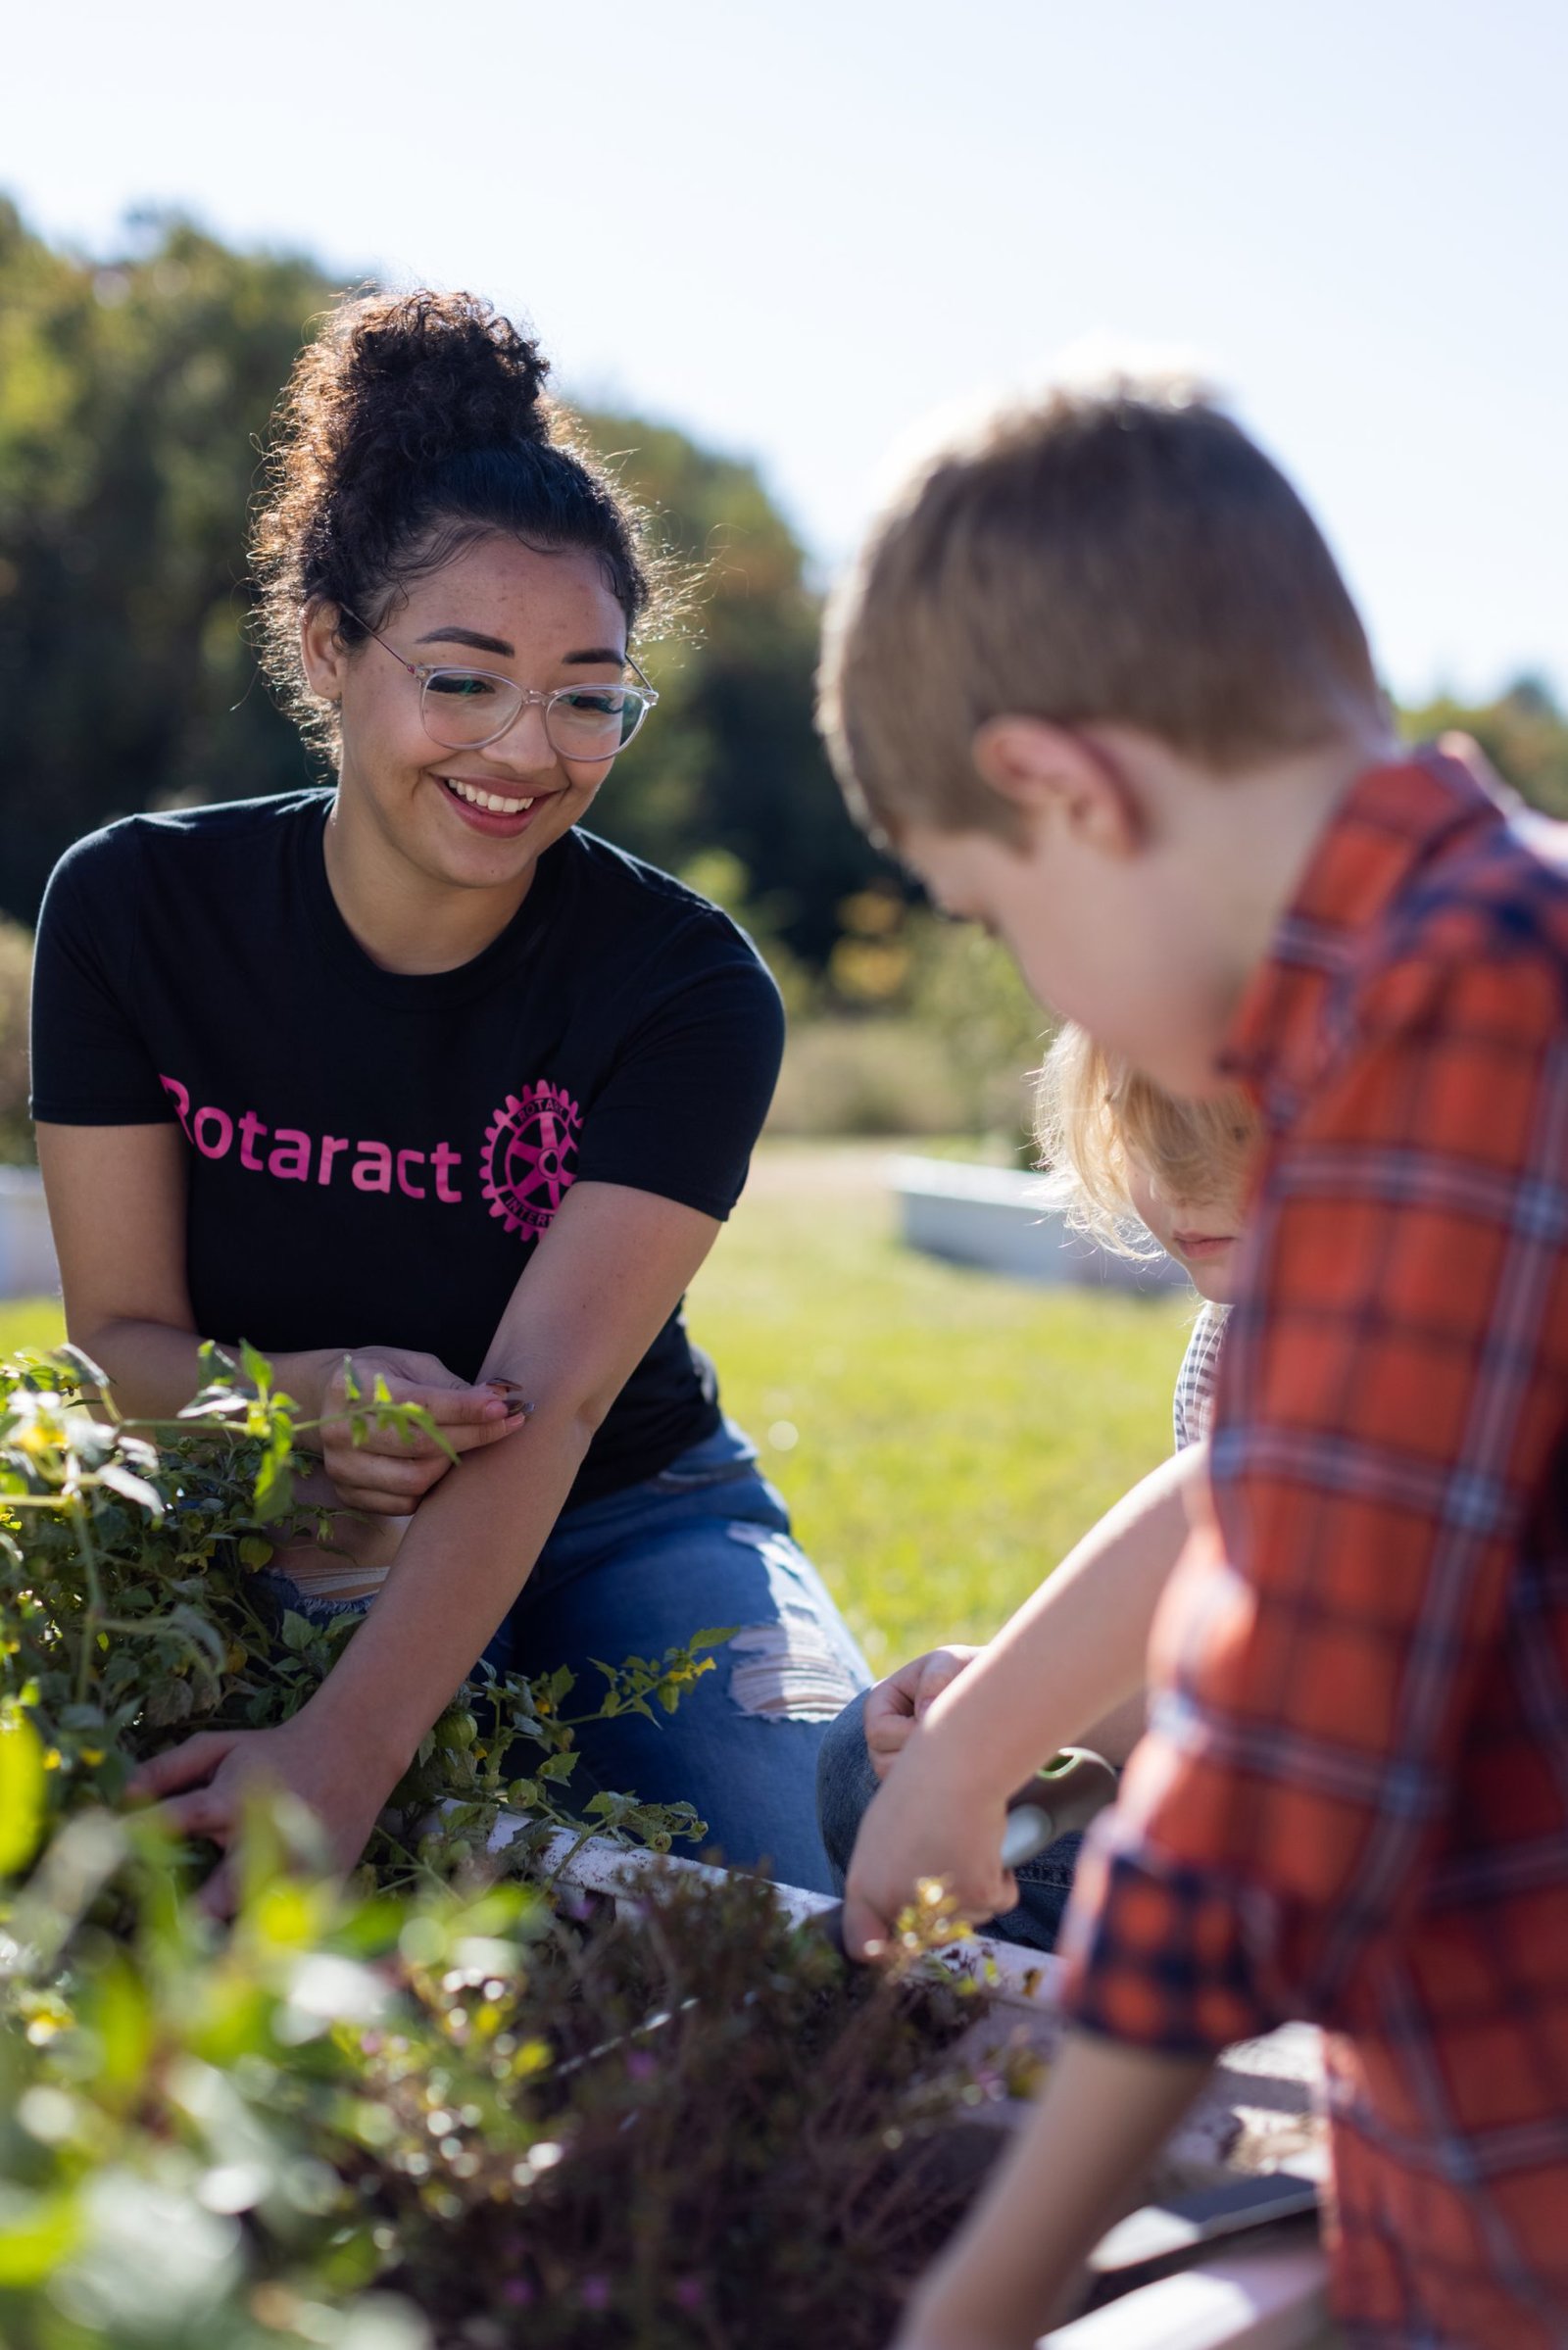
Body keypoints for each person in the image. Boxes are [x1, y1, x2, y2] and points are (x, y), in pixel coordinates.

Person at [817, 374, 1568, 2347]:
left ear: (1066, 788)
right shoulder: (1469, 972)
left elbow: (1283, 1769)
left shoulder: (1467, 1011)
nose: (1044, 990)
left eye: (994, 912)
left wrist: (978, 2296)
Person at [28, 289, 868, 1911]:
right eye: (466, 678)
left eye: (587, 693)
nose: (526, 749)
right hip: (278, 1521)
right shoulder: (134, 907)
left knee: (816, 1896)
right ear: (334, 649)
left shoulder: (690, 989)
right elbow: (120, 1344)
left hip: (627, 1512)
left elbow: (540, 1415)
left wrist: (341, 1756)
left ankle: (1019, 1806)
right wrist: (291, 1402)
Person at [815, 1022, 1256, 1949]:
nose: (1183, 1181)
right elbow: (1213, 1651)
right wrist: (1003, 1709)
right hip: (1266, 1759)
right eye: (1145, 1134)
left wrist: (994, 1741)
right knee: (868, 1768)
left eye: (1236, 1134)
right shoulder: (1233, 1335)